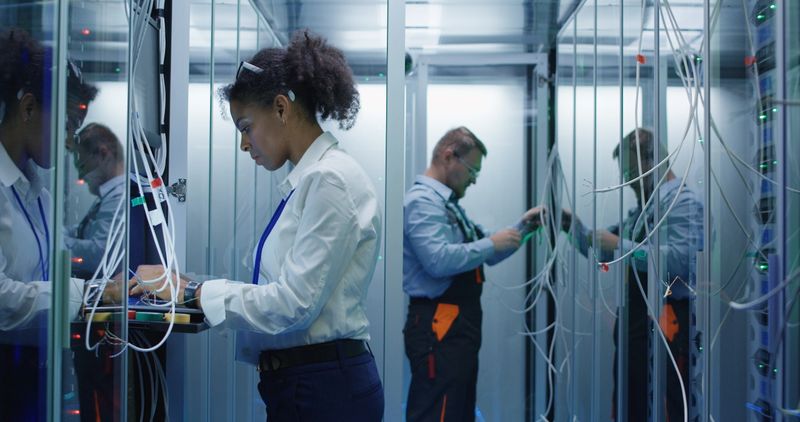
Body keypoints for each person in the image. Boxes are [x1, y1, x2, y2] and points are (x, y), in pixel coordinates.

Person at [131, 29, 384, 421]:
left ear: (281, 108)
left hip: (324, 390)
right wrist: (186, 287)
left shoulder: (328, 180)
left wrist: (193, 293)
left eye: (246, 127)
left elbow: (291, 304)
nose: (244, 144)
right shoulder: (310, 179)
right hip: (309, 384)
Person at [561, 128, 703, 421]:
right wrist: (571, 226)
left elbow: (680, 264)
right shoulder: (647, 208)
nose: (628, 182)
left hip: (667, 322)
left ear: (652, 162)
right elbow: (604, 248)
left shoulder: (684, 202)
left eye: (630, 173)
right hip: (638, 322)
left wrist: (621, 246)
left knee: (666, 406)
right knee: (632, 404)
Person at [403, 126, 543, 422]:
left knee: (456, 410)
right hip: (438, 324)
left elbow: (483, 251)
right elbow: (438, 260)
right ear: (449, 156)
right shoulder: (421, 202)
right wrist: (491, 243)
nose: (474, 179)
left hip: (455, 325)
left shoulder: (447, 204)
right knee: (437, 411)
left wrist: (522, 229)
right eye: (472, 169)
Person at [0, 27, 104, 419]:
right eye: (65, 127)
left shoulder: (39, 195)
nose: (69, 143)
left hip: (36, 374)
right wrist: (91, 296)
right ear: (28, 108)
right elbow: (3, 300)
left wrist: (100, 291)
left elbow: (51, 273)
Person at [65, 123, 126, 279]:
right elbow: (84, 231)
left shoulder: (119, 197)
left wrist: (58, 243)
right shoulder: (108, 197)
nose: (80, 178)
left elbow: (99, 254)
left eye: (83, 166)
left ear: (103, 154)